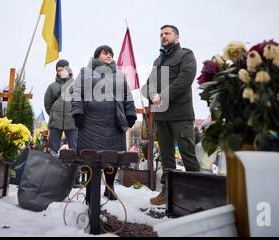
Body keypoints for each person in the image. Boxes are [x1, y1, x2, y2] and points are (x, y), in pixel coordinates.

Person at [142, 25, 200, 205]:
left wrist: (163, 96)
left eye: (167, 33)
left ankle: (198, 194)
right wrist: (152, 95)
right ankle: (166, 192)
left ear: (177, 36)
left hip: (180, 115)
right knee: (167, 158)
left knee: (187, 155)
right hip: (161, 116)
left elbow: (185, 79)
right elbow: (149, 83)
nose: (163, 36)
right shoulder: (157, 60)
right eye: (161, 34)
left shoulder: (186, 55)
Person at [72, 45, 136, 200]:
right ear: (96, 55)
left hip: (113, 124)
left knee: (113, 157)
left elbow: (127, 95)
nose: (109, 56)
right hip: (89, 123)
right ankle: (90, 190)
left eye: (111, 54)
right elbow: (77, 92)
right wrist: (78, 112)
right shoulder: (85, 72)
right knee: (89, 157)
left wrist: (131, 113)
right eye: (105, 53)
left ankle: (110, 186)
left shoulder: (119, 75)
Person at [44, 59, 77, 156]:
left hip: (72, 122)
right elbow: (47, 104)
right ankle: (54, 171)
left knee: (74, 149)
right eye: (58, 70)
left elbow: (81, 103)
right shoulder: (52, 87)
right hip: (55, 123)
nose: (60, 72)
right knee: (53, 151)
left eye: (62, 70)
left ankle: (74, 171)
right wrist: (54, 115)